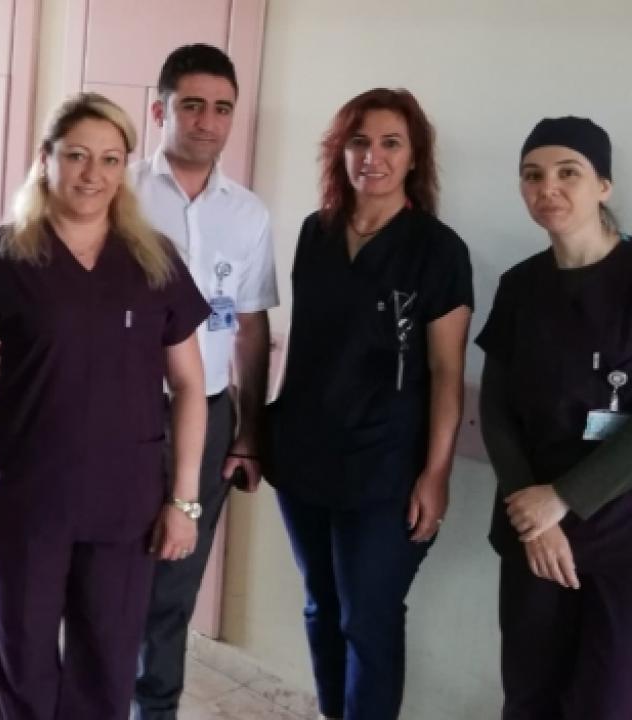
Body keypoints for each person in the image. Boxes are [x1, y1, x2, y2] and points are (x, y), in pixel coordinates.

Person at [0, 92, 211, 719]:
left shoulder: (153, 259)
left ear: (125, 168)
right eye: (77, 156)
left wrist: (184, 501)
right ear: (46, 159)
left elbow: (190, 386)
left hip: (125, 505)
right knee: (22, 668)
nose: (93, 174)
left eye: (111, 159)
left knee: (107, 670)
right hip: (23, 500)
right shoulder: (1, 254)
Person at [263, 88, 473, 720]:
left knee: (368, 617)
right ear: (340, 151)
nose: (372, 157)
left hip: (387, 468)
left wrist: (435, 474)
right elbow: (303, 343)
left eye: (390, 143)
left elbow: (446, 372)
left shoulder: (438, 250)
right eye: (359, 142)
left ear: (415, 157)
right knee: (321, 607)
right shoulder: (316, 232)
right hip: (304, 458)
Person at [128, 43, 278, 719]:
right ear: (160, 111)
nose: (208, 121)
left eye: (222, 108)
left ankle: (154, 709)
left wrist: (249, 434)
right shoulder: (119, 192)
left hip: (209, 417)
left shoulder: (248, 214)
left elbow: (250, 328)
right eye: (192, 105)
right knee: (104, 576)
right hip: (118, 416)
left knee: (174, 585)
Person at [477, 116, 632, 719]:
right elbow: (495, 408)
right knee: (529, 695)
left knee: (607, 703)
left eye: (569, 173)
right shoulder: (520, 287)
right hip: (533, 535)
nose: (549, 188)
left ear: (604, 186)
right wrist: (533, 514)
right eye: (532, 175)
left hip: (620, 534)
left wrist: (563, 498)